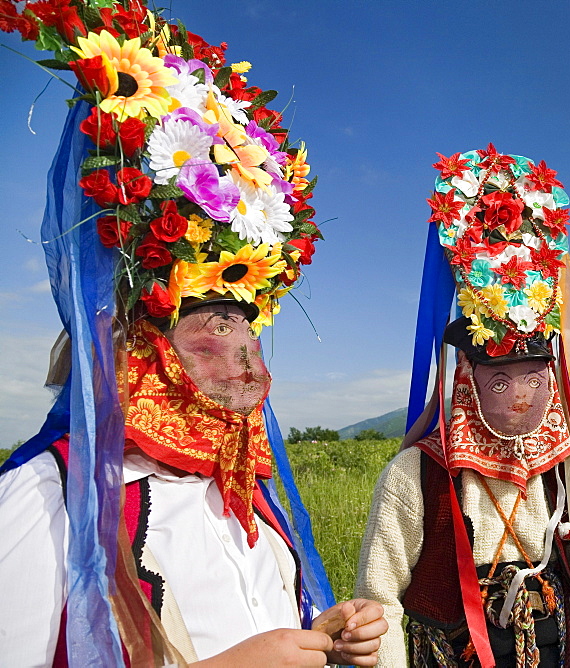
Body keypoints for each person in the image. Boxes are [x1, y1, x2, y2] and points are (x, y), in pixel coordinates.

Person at [0, 2, 386, 664]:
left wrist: (327, 634)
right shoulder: (50, 500)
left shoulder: (246, 490)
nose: (244, 360)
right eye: (212, 325)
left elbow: (264, 625)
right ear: (142, 335)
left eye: (247, 323)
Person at [356, 146, 570, 667]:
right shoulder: (416, 473)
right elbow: (379, 599)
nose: (523, 395)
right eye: (501, 379)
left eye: (534, 377)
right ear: (468, 378)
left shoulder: (564, 464)